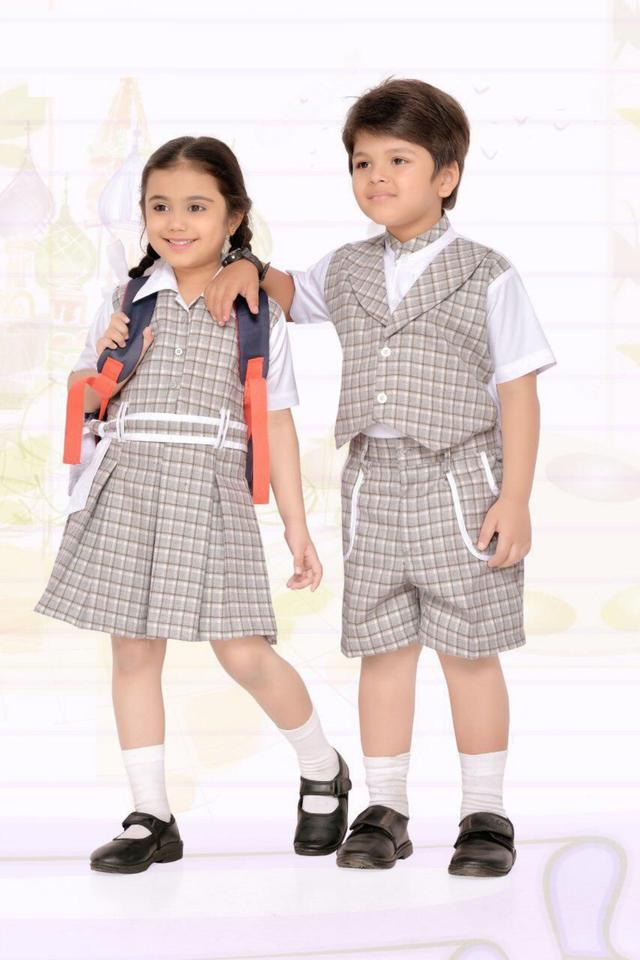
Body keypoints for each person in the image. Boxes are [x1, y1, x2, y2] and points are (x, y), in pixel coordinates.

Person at [204, 79, 557, 876]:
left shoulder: (486, 273)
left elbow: (519, 390)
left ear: (447, 174)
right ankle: (386, 807)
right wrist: (246, 264)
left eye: (399, 160)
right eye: (363, 162)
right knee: (383, 646)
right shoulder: (350, 267)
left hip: (462, 478)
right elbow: (286, 293)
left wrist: (515, 498)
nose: (377, 176)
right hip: (373, 481)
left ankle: (484, 811)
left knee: (469, 649)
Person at [34, 136, 352, 874]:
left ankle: (321, 766)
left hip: (209, 486)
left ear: (234, 216)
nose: (176, 222)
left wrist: (297, 529)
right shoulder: (125, 300)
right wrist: (105, 362)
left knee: (243, 650)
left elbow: (276, 421)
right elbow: (84, 402)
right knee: (133, 650)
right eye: (160, 206)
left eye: (197, 207)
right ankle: (151, 813)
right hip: (129, 481)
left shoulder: (254, 311)